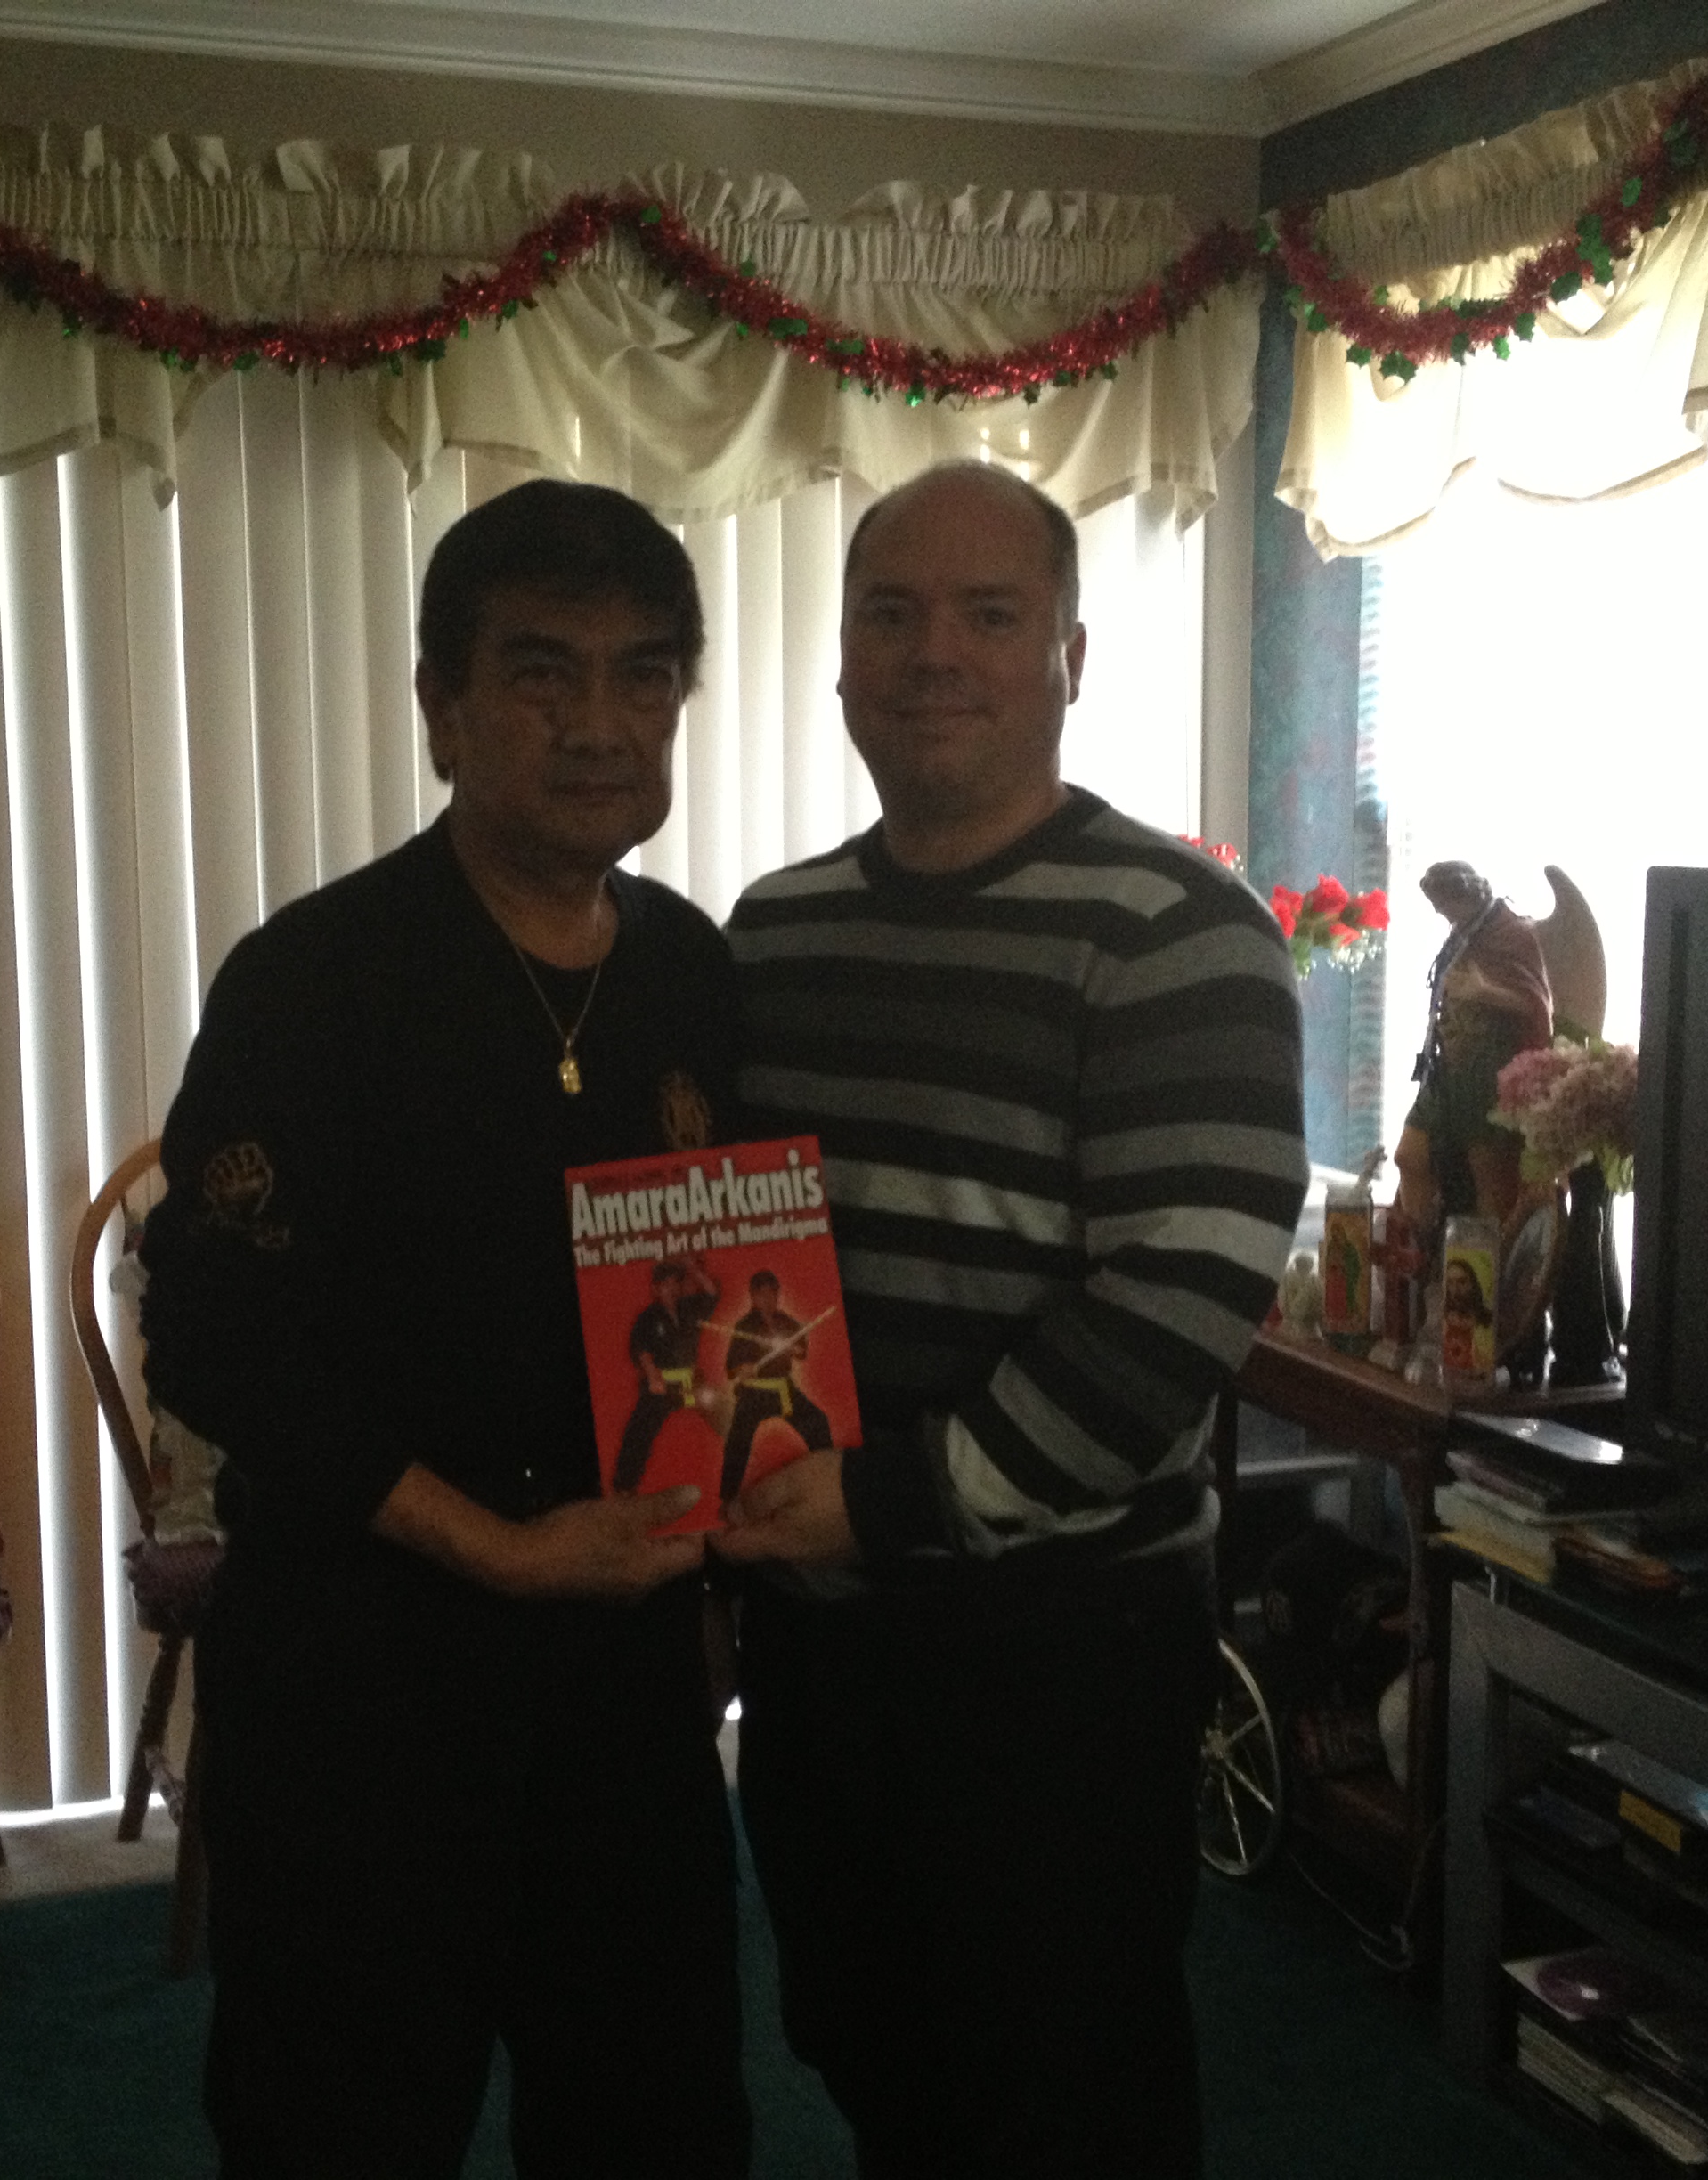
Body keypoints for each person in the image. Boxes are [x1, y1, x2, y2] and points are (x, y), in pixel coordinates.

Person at [140, 480, 750, 2180]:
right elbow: (212, 1337)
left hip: (626, 1694)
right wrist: (499, 1548)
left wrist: (717, 1564)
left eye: (643, 675)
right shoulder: (310, 979)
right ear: (440, 703)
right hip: (361, 1692)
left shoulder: (696, 977)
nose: (597, 723)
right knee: (337, 2134)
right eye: (542, 672)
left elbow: (724, 1318)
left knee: (656, 2133)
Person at [715, 461, 1310, 2180]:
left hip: (1056, 1644)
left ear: (1068, 656)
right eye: (890, 614)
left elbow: (1171, 1313)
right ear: (839, 660)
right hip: (818, 1627)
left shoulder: (1179, 933)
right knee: (863, 2038)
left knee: (1065, 2084)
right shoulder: (771, 932)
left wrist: (880, 1499)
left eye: (988, 614)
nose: (934, 654)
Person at [1393, 858, 1553, 1236]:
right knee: (1409, 1157)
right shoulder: (1465, 931)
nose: (1441, 914)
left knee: (1488, 1182)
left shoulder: (1513, 933)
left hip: (1487, 1074)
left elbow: (1538, 1006)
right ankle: (1419, 1253)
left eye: (1444, 905)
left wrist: (1485, 992)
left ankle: (1487, 1262)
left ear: (1464, 896)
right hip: (1446, 1067)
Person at [720, 1267, 835, 1501]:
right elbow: (731, 1368)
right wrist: (743, 1369)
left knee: (818, 1421)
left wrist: (794, 1348)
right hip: (754, 1393)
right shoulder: (744, 1326)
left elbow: (801, 1351)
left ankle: (828, 1479)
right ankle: (728, 1498)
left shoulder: (787, 1322)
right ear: (753, 1296)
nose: (768, 1299)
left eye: (772, 1293)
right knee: (737, 1442)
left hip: (784, 1390)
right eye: (762, 1294)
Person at [613, 1257, 719, 1492]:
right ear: (655, 1289)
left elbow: (711, 1294)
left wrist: (693, 1270)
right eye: (665, 1285)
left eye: (674, 1284)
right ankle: (624, 1488)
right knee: (638, 1431)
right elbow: (641, 1349)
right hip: (663, 1385)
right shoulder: (648, 1317)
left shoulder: (689, 1308)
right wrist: (652, 1375)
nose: (670, 1289)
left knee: (727, 1412)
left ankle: (742, 1467)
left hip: (692, 1381)